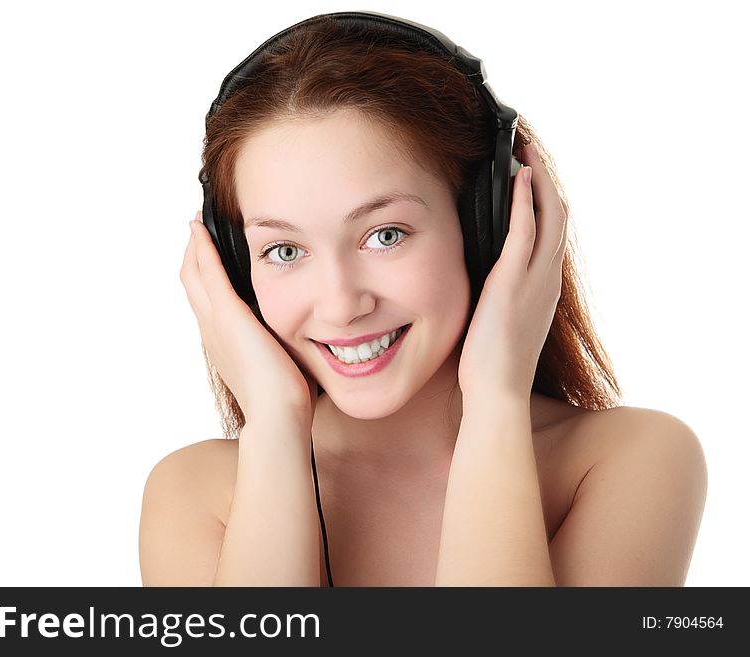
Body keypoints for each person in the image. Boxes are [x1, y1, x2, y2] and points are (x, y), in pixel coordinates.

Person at [139, 12, 707, 586]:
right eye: (284, 251)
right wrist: (273, 426)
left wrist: (495, 403)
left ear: (489, 223)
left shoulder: (630, 461)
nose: (340, 305)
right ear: (235, 267)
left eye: (385, 235)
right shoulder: (196, 493)